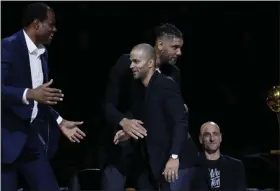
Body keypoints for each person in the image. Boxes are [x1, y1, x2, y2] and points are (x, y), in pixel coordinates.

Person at [1, 3, 86, 191]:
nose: (54, 29)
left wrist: (60, 120)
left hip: (29, 139)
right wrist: (29, 93)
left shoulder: (42, 53)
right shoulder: (7, 47)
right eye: (51, 24)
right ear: (36, 24)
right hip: (5, 140)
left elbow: (40, 99)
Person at [101, 23, 196, 190]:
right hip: (121, 146)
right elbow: (108, 105)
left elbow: (170, 115)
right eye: (175, 47)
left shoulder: (172, 74)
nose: (179, 53)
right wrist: (124, 122)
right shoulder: (127, 64)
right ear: (160, 45)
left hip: (151, 153)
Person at [191, 121, 247, 191]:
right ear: (200, 139)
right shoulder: (192, 167)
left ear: (220, 137)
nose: (212, 139)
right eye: (207, 135)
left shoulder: (236, 166)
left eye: (215, 134)